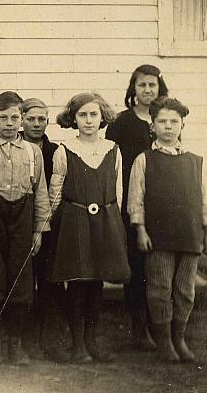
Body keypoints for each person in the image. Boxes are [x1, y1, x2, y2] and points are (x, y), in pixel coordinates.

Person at [0, 91, 50, 366]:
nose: (10, 123)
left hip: (23, 216)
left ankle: (16, 342)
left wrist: (39, 230)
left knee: (22, 279)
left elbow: (41, 194)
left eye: (15, 117)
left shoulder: (32, 151)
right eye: (3, 118)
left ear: (23, 119)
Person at [49, 92, 130, 363]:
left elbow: (117, 191)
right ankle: (77, 344)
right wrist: (54, 225)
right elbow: (55, 193)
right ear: (73, 118)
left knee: (96, 281)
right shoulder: (65, 150)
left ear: (102, 116)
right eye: (82, 115)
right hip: (75, 220)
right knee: (77, 281)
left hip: (105, 221)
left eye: (93, 114)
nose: (88, 120)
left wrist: (113, 225)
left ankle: (93, 342)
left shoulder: (113, 149)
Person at [128, 96, 207, 362]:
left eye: (174, 121)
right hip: (158, 237)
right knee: (160, 288)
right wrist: (140, 230)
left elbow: (204, 200)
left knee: (185, 290)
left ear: (183, 125)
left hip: (190, 234)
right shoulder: (144, 159)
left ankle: (179, 338)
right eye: (162, 121)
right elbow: (135, 199)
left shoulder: (197, 161)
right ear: (152, 125)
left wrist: (203, 230)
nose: (168, 126)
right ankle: (163, 341)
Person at [105, 64, 168, 351]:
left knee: (161, 267)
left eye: (152, 85)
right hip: (130, 204)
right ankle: (139, 328)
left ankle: (163, 327)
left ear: (160, 88)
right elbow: (108, 163)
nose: (147, 90)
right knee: (137, 266)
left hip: (160, 204)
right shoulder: (121, 123)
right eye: (142, 85)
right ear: (134, 88)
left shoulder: (166, 120)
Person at [20, 97, 69, 363]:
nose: (36, 124)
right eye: (31, 119)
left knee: (50, 282)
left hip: (50, 226)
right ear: (22, 119)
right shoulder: (13, 148)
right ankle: (25, 340)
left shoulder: (55, 152)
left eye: (42, 119)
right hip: (18, 224)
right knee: (24, 283)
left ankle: (53, 340)